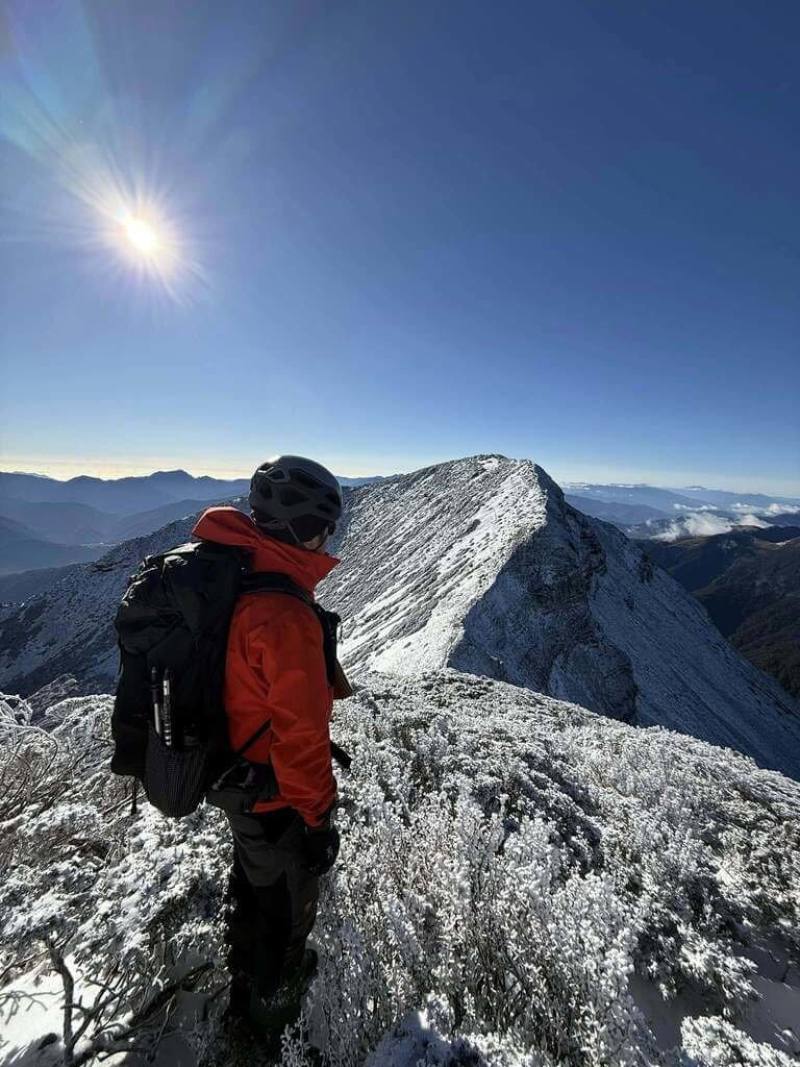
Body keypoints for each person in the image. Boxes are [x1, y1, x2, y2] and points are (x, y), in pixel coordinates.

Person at [191, 455, 344, 1044]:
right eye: (324, 527)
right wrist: (317, 818)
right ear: (306, 528)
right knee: (282, 905)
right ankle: (261, 1025)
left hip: (229, 768)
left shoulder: (236, 572)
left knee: (255, 879)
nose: (328, 538)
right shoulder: (283, 613)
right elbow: (301, 735)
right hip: (269, 788)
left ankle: (246, 964)